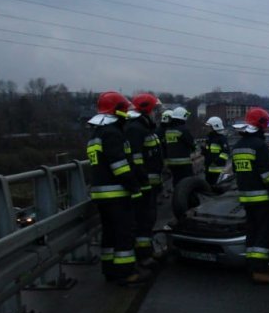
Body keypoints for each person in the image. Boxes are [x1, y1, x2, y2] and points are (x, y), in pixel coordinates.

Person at [84, 92, 147, 286]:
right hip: (117, 193)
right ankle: (125, 273)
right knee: (124, 233)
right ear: (116, 109)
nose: (126, 112)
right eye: (124, 108)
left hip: (102, 193)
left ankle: (110, 270)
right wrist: (134, 186)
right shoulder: (112, 133)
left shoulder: (97, 133)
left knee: (110, 234)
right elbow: (119, 166)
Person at [231, 107, 269, 284]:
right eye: (266, 126)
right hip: (261, 198)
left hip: (246, 198)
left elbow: (238, 172)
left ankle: (252, 267)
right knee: (264, 233)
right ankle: (260, 271)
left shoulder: (237, 147)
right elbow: (266, 174)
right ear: (260, 125)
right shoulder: (259, 146)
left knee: (252, 232)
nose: (267, 129)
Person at [128, 93, 165, 267]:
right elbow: (137, 161)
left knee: (148, 220)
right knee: (143, 221)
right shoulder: (136, 129)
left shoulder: (145, 128)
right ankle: (143, 255)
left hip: (151, 184)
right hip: (143, 185)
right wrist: (143, 182)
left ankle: (147, 251)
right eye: (154, 109)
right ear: (147, 110)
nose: (156, 113)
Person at [161, 107, 197, 188]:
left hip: (171, 163)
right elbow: (192, 143)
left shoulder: (168, 130)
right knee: (187, 183)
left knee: (176, 182)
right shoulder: (183, 130)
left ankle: (177, 197)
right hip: (184, 163)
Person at [202, 115, 231, 190]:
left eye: (209, 126)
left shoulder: (221, 138)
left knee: (217, 189)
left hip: (218, 170)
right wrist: (203, 149)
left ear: (215, 127)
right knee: (208, 189)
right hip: (208, 170)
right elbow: (207, 152)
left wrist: (217, 161)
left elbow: (226, 152)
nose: (206, 128)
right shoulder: (209, 138)